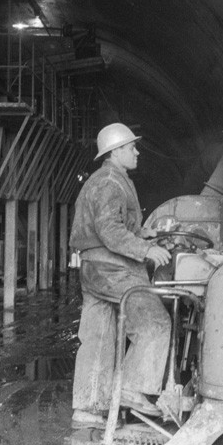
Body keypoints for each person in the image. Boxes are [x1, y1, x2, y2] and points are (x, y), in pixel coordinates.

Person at [70, 123, 172, 428]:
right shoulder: (110, 182)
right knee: (155, 324)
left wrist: (145, 234)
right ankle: (132, 389)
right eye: (131, 147)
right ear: (115, 152)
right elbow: (110, 230)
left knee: (98, 337)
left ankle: (88, 409)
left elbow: (115, 224)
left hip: (94, 268)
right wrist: (145, 251)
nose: (137, 151)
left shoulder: (109, 180)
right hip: (112, 268)